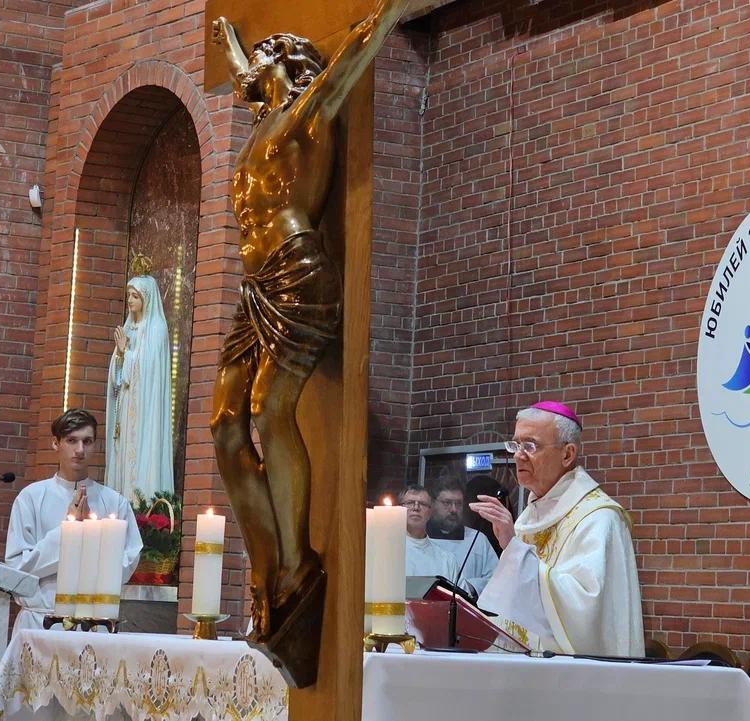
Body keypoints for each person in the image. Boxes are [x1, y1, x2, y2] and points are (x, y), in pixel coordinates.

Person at [207, 0, 416, 643]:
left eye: (266, 55)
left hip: (299, 271)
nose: (253, 64)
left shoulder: (306, 113)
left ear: (287, 65)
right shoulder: (262, 120)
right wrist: (235, 46)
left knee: (272, 410)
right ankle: (270, 569)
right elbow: (244, 76)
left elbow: (352, 49)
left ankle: (299, 565)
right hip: (256, 283)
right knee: (223, 428)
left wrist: (386, 13)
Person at [471, 401, 644, 657]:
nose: (518, 455)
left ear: (567, 454)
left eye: (530, 446)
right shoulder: (529, 516)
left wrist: (514, 548)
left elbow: (586, 608)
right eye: (515, 445)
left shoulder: (598, 518)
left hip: (576, 678)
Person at [5, 409, 142, 632]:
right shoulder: (30, 498)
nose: (80, 450)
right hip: (41, 623)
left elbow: (125, 566)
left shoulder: (115, 503)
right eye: (71, 441)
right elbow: (17, 568)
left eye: (87, 441)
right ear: (55, 443)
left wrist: (92, 538)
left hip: (97, 624)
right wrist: (69, 532)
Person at [105, 270, 174, 503]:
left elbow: (149, 372)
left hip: (145, 411)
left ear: (146, 299)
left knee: (141, 458)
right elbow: (117, 377)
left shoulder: (156, 330)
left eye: (135, 295)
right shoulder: (128, 329)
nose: (130, 300)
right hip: (126, 408)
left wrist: (126, 352)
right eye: (129, 295)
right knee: (123, 457)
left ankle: (142, 505)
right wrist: (119, 357)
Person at [426, 477, 499, 594]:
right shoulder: (421, 538)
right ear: (433, 504)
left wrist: (471, 587)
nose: (454, 509)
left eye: (458, 503)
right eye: (447, 503)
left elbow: (497, 579)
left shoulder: (477, 540)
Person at [400, 484, 459, 580]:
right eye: (410, 502)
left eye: (422, 504)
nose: (416, 508)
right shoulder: (386, 551)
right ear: (399, 508)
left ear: (430, 513)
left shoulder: (446, 559)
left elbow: (459, 594)